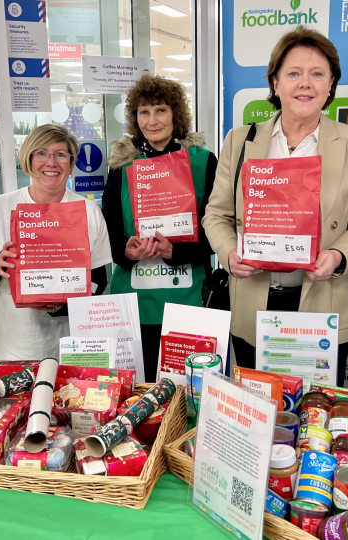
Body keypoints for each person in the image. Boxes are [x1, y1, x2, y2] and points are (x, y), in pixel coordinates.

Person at [203, 27, 348, 387]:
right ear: (275, 83)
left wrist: (339, 258)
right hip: (255, 303)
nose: (306, 84)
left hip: (322, 304)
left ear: (330, 85)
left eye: (318, 74)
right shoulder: (241, 141)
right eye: (294, 73)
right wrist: (229, 252)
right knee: (256, 409)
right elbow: (216, 214)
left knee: (315, 415)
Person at [102, 74, 218, 382]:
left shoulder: (203, 162)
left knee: (186, 389)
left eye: (161, 110)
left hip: (189, 297)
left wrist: (177, 250)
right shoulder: (121, 167)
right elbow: (108, 225)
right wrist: (122, 249)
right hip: (134, 302)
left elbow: (218, 226)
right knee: (137, 388)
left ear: (176, 115)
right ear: (134, 117)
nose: (152, 120)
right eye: (144, 111)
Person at [0, 124, 112, 360]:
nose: (51, 162)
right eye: (42, 153)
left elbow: (98, 282)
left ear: (72, 162)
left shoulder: (88, 211)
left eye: (61, 154)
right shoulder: (0, 207)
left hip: (72, 345)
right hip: (16, 344)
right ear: (28, 159)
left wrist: (60, 307)